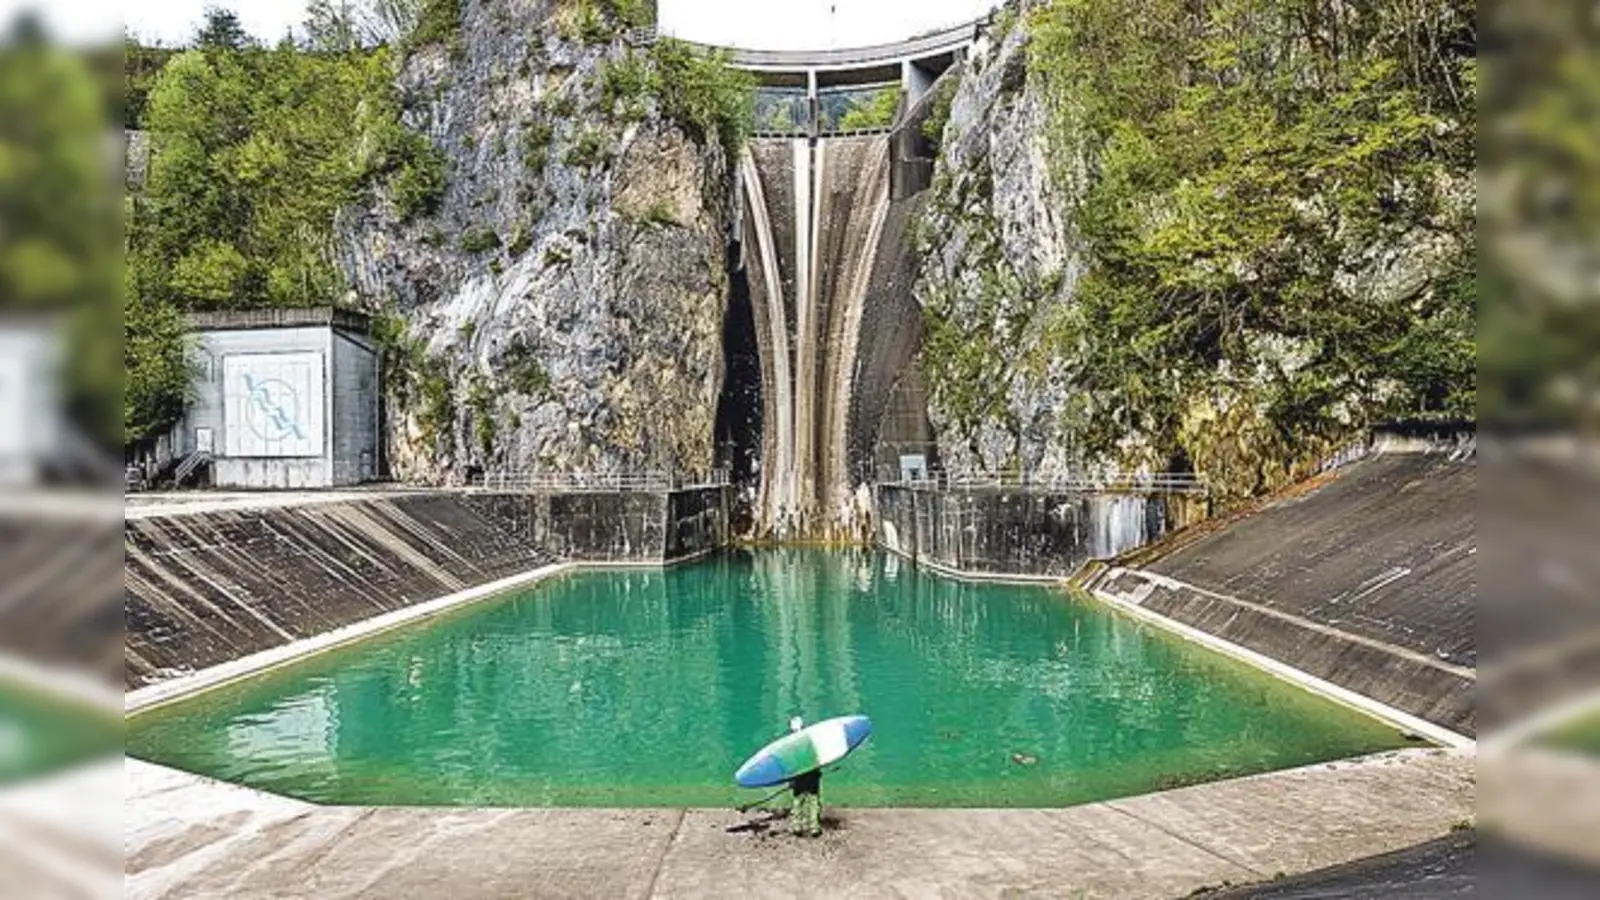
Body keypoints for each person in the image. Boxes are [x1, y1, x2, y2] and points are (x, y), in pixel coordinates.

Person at [788, 716, 822, 837]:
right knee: (813, 801)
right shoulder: (810, 740)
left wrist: (791, 780)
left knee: (797, 801)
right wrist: (818, 772)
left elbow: (790, 763)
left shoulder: (790, 744)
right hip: (812, 775)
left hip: (799, 776)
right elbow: (817, 757)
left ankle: (796, 826)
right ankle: (814, 828)